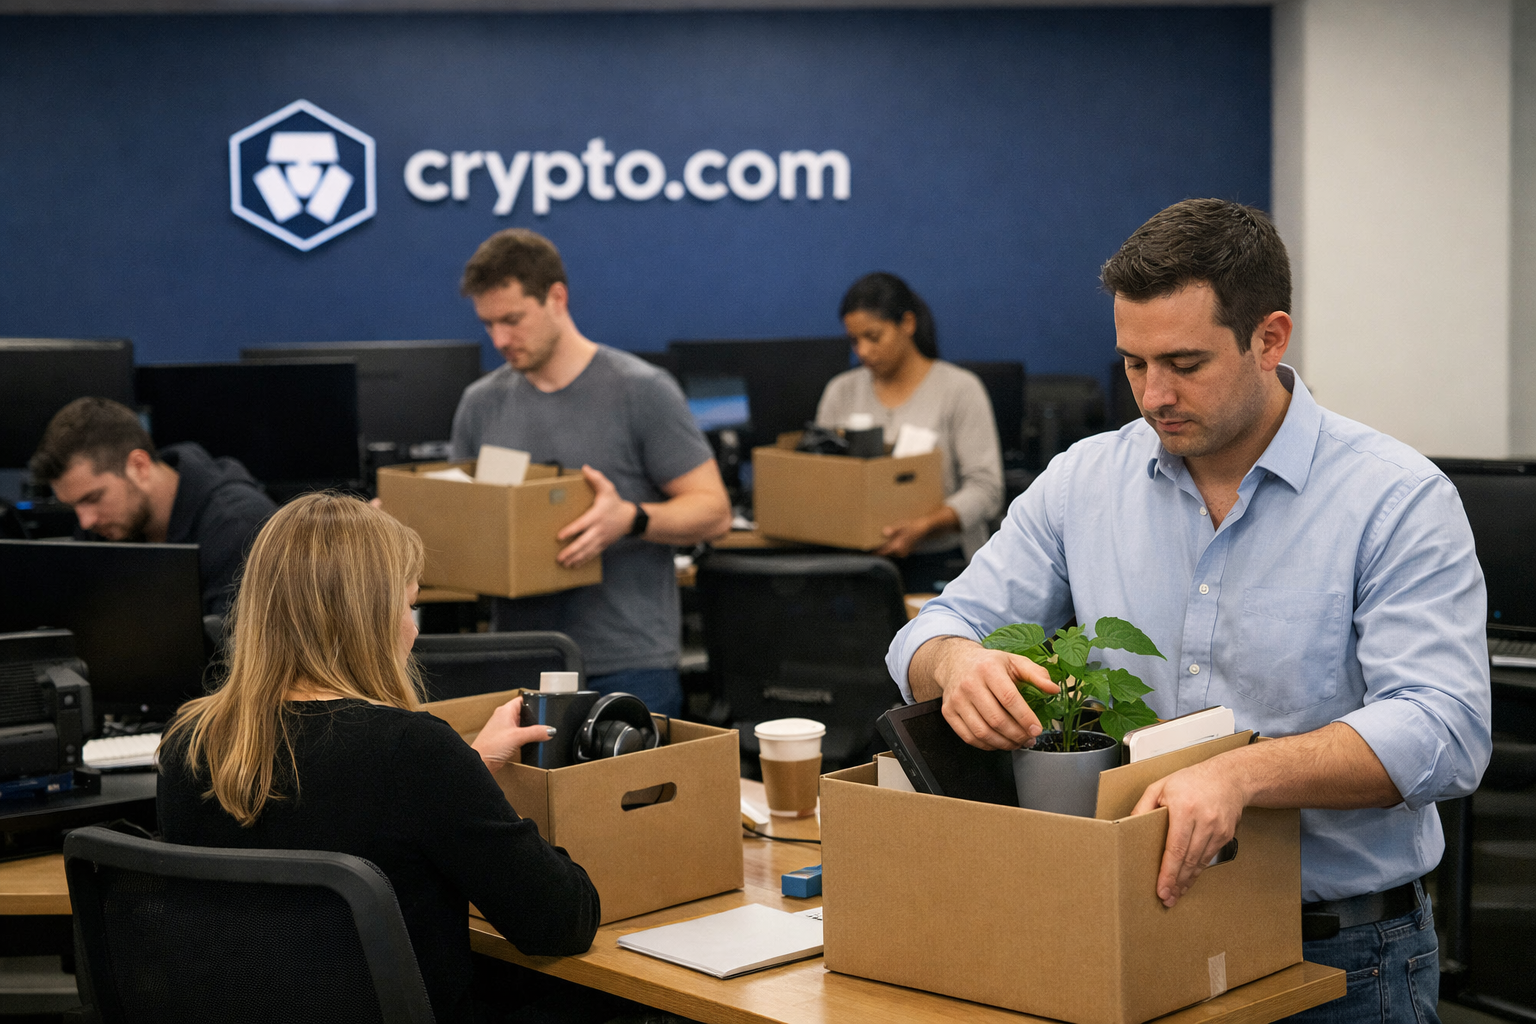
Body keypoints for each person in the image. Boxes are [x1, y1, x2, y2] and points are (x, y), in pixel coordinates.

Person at [890, 200, 1490, 1024]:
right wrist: (956, 662)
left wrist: (1242, 773)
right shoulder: (1084, 482)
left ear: (1269, 339)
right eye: (1133, 364)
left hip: (1337, 956)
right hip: (1124, 926)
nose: (1154, 395)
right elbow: (933, 627)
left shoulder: (1396, 499)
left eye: (1184, 363)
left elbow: (1446, 730)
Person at [157, 493, 602, 1024]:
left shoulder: (188, 743)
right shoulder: (412, 752)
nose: (413, 630)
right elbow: (561, 921)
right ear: (369, 618)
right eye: (408, 606)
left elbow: (337, 814)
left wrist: (468, 769)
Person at [445, 229, 732, 718]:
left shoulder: (641, 390)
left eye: (512, 320)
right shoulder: (481, 404)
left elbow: (715, 512)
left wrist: (630, 519)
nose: (499, 340)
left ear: (556, 298)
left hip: (627, 662)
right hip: (521, 660)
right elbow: (463, 520)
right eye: (488, 324)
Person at [815, 272, 1002, 591]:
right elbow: (820, 475)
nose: (863, 351)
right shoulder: (841, 391)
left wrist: (925, 526)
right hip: (857, 563)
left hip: (943, 561)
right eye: (854, 341)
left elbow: (987, 489)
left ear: (908, 324)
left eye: (873, 337)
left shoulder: (959, 390)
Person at [29, 396, 276, 616]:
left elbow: (237, 650)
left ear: (139, 466)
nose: (85, 521)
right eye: (73, 506)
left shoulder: (238, 526)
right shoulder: (102, 528)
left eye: (93, 498)